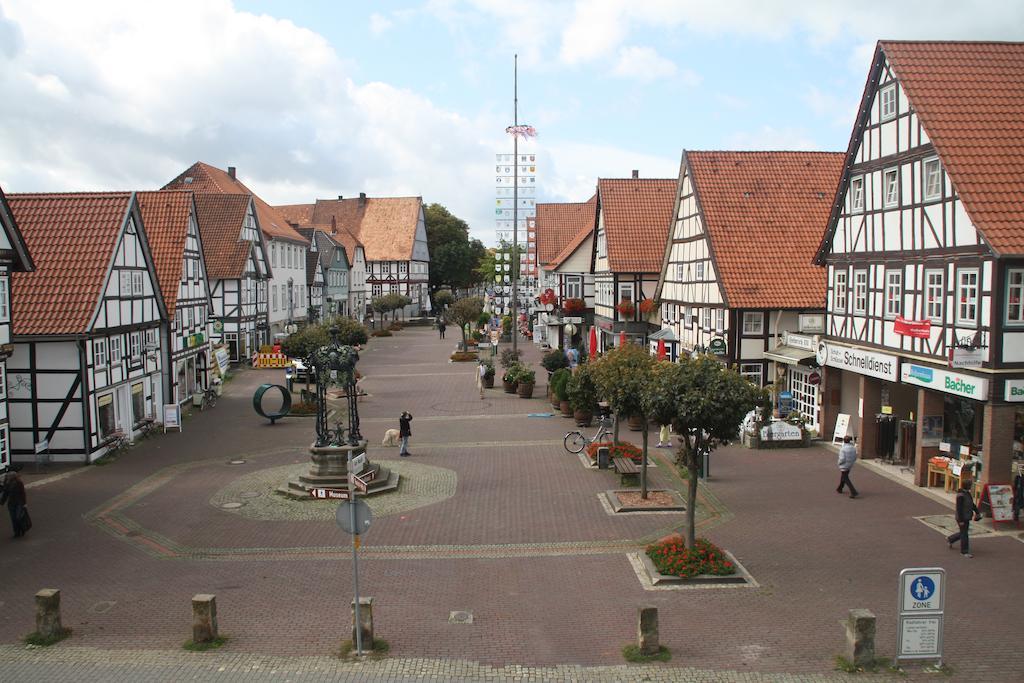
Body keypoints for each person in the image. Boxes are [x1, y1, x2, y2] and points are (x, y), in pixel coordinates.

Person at [947, 477, 981, 558]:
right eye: (970, 485)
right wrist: (961, 520)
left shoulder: (967, 494)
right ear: (967, 486)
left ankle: (951, 539)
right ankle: (964, 551)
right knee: (964, 534)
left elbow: (972, 504)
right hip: (962, 517)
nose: (971, 486)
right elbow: (959, 509)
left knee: (964, 532)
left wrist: (977, 512)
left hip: (967, 516)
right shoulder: (961, 496)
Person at [0, 466, 28, 538]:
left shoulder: (19, 483)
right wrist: (2, 502)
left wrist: (24, 503)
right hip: (11, 503)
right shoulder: (8, 484)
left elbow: (23, 493)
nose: (7, 477)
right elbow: (6, 493)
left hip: (19, 503)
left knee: (18, 517)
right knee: (13, 519)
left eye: (9, 476)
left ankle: (22, 529)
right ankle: (16, 532)